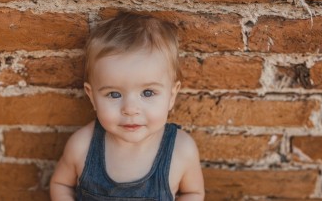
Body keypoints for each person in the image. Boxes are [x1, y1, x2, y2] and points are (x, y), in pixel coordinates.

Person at [50, 11, 205, 201]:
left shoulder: (181, 150)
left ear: (172, 96)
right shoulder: (82, 145)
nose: (130, 109)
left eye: (147, 93)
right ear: (92, 97)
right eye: (114, 94)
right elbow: (61, 184)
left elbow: (192, 193)